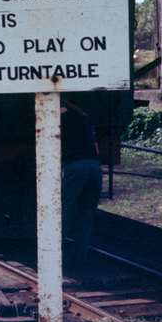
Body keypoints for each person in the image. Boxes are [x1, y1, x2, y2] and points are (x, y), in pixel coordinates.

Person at [60, 101, 103, 269]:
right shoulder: (83, 119)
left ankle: (54, 260)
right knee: (85, 217)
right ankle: (80, 261)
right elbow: (96, 147)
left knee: (63, 215)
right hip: (94, 166)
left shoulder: (57, 121)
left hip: (75, 167)